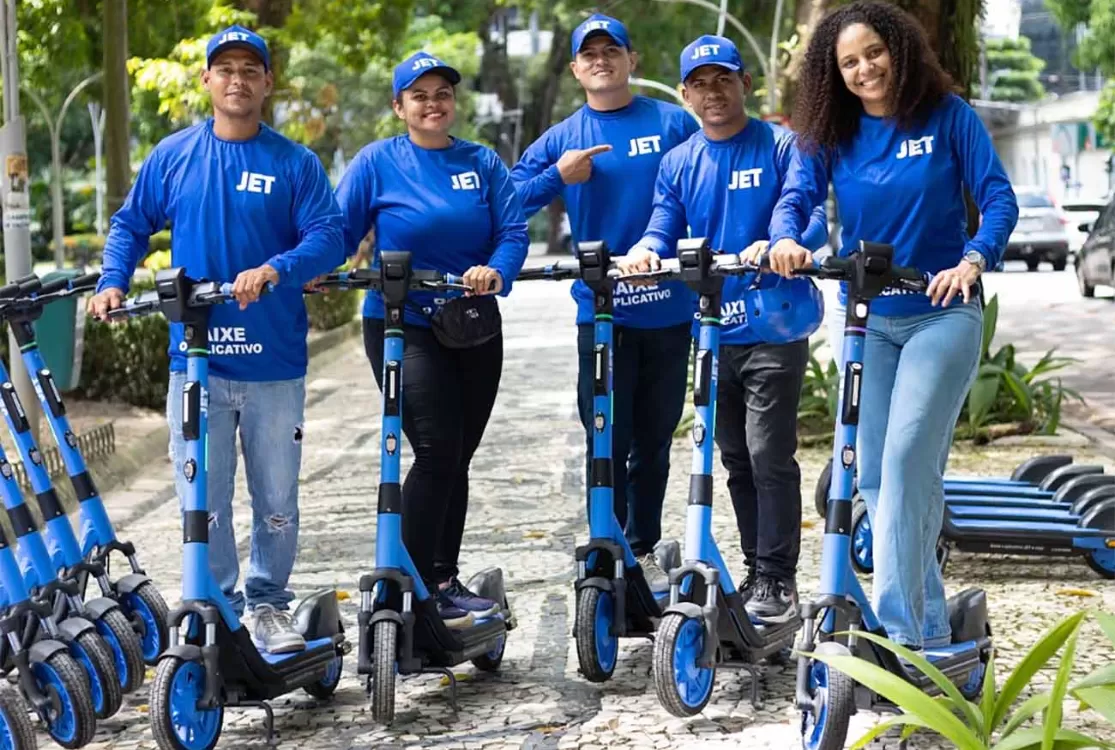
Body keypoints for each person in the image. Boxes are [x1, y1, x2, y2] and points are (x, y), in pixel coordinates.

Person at [767, 1, 1018, 658]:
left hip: (941, 313)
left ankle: (903, 640)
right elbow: (795, 199)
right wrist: (786, 238)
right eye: (847, 62)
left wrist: (972, 257)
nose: (863, 69)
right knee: (873, 477)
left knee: (907, 461)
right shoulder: (831, 133)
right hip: (871, 323)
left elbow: (996, 197)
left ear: (898, 49)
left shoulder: (946, 117)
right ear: (833, 73)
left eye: (871, 53)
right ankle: (928, 625)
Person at [87, 25, 345, 654]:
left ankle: (268, 605)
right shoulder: (174, 156)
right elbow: (129, 223)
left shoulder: (294, 163)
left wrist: (277, 268)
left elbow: (330, 236)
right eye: (224, 69)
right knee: (202, 495)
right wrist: (113, 280)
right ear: (206, 81)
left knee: (277, 499)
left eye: (249, 70)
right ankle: (220, 604)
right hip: (196, 364)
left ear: (266, 83)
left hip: (274, 365)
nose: (237, 79)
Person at [617, 35, 829, 623]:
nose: (713, 92)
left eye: (723, 80)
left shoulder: (783, 145)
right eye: (700, 83)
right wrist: (644, 251)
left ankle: (776, 577)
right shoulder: (679, 162)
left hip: (775, 322)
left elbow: (813, 215)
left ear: (745, 85)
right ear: (685, 94)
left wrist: (788, 244)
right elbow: (663, 223)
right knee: (732, 454)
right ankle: (756, 567)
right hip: (714, 329)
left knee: (768, 452)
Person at [334, 51, 529, 628]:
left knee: (457, 457)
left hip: (472, 324)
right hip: (403, 324)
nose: (432, 103)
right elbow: (340, 233)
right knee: (437, 451)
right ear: (399, 107)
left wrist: (496, 270)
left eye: (442, 93)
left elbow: (512, 232)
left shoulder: (483, 163)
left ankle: (443, 579)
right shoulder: (376, 163)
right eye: (418, 95)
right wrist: (317, 269)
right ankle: (415, 587)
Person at [510, 14, 700, 590]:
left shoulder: (671, 121)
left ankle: (641, 546)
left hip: (669, 310)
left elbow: (707, 178)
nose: (600, 60)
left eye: (610, 50)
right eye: (588, 54)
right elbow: (507, 201)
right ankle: (607, 540)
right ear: (575, 69)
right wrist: (558, 178)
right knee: (606, 436)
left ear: (630, 60)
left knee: (655, 437)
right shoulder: (565, 136)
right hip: (602, 316)